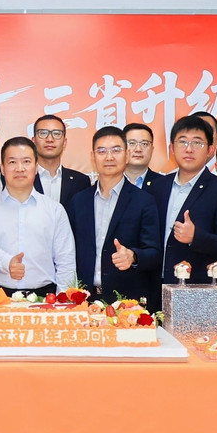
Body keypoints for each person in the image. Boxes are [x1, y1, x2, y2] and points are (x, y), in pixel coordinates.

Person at [67, 126, 161, 304]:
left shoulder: (144, 201)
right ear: (93, 157)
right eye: (102, 151)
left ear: (127, 155)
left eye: (116, 150)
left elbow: (154, 253)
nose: (109, 157)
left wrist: (133, 256)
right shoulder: (78, 201)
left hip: (126, 301)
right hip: (84, 299)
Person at [0, 137, 75, 295]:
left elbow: (65, 260)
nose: (20, 168)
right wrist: (8, 263)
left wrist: (64, 298)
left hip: (44, 295)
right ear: (2, 169)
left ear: (36, 168)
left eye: (26, 162)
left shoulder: (54, 209)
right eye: (12, 162)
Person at [149, 115, 217, 286]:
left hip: (194, 288)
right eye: (183, 142)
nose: (189, 149)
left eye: (197, 143)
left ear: (210, 150)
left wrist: (195, 237)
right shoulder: (157, 187)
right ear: (172, 148)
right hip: (155, 286)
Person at [32, 114, 90, 206]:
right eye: (43, 133)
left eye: (56, 134)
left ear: (64, 142)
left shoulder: (81, 181)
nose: (50, 139)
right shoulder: (23, 178)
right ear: (34, 141)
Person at [123, 122, 164, 189]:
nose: (138, 149)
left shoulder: (163, 184)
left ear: (152, 149)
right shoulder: (110, 182)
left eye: (144, 144)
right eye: (132, 143)